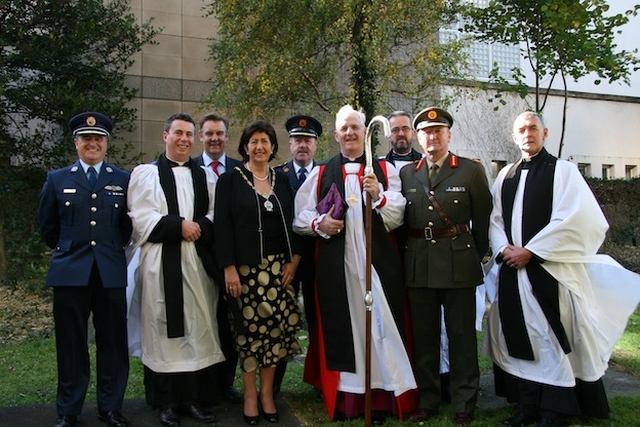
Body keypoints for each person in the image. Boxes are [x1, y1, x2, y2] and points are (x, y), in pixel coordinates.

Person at [484, 111, 640, 427]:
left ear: (545, 133)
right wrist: (503, 250)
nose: (527, 133)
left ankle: (555, 410)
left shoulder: (564, 172)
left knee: (550, 339)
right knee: (520, 340)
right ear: (514, 137)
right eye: (521, 130)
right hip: (514, 273)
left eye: (533, 128)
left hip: (551, 273)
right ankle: (526, 406)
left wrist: (532, 251)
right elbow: (496, 220)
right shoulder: (506, 176)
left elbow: (575, 219)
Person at [293, 105, 417, 423]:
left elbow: (398, 213)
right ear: (336, 135)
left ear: (365, 134)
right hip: (340, 268)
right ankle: (350, 399)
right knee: (346, 329)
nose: (350, 133)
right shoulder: (321, 173)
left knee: (380, 328)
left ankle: (382, 397)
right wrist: (321, 223)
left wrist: (380, 197)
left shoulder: (384, 170)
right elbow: (301, 217)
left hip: (377, 266)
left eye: (355, 128)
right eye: (344, 128)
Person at [127, 113, 224, 426]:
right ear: (164, 135)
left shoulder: (206, 176)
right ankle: (167, 402)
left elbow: (214, 212)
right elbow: (139, 217)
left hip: (196, 264)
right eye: (178, 133)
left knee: (196, 328)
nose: (184, 139)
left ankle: (194, 399)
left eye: (188, 134)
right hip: (161, 263)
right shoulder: (146, 174)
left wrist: (199, 227)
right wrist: (178, 226)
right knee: (162, 330)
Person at [399, 107, 492, 426]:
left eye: (438, 130)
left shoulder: (469, 171)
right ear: (418, 136)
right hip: (419, 264)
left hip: (458, 263)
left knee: (462, 336)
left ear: (448, 135)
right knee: (424, 337)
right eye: (426, 131)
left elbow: (482, 223)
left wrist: (473, 256)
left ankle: (464, 402)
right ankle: (428, 399)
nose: (432, 136)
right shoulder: (408, 173)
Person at [38, 112, 131, 427]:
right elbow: (48, 227)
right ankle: (69, 409)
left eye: (98, 139)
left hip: (109, 273)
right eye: (86, 138)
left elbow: (127, 228)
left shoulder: (122, 180)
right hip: (70, 274)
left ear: (106, 143)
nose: (93, 143)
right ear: (76, 143)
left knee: (113, 343)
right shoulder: (57, 179)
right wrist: (69, 251)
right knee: (71, 344)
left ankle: (110, 407)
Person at [214, 120, 303, 426]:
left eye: (265, 141)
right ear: (244, 146)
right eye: (254, 141)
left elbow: (292, 222)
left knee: (275, 334)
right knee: (249, 336)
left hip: (280, 271)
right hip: (245, 272)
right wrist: (228, 268)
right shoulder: (231, 180)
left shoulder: (282, 180)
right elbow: (222, 229)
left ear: (273, 147)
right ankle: (250, 396)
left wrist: (294, 261)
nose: (260, 146)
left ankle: (267, 395)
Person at [193, 112, 243, 405]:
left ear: (227, 137)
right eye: (209, 133)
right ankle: (202, 389)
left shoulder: (239, 170)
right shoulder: (189, 168)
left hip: (231, 259)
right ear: (201, 136)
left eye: (219, 133)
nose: (214, 138)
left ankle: (225, 385)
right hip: (197, 257)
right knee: (202, 323)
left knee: (229, 325)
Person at [273, 114, 322, 395]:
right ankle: (275, 384)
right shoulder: (278, 176)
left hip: (315, 260)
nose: (302, 145)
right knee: (281, 319)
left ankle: (318, 378)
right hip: (285, 262)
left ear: (316, 145)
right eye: (297, 140)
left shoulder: (326, 174)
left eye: (308, 140)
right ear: (290, 144)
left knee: (317, 318)